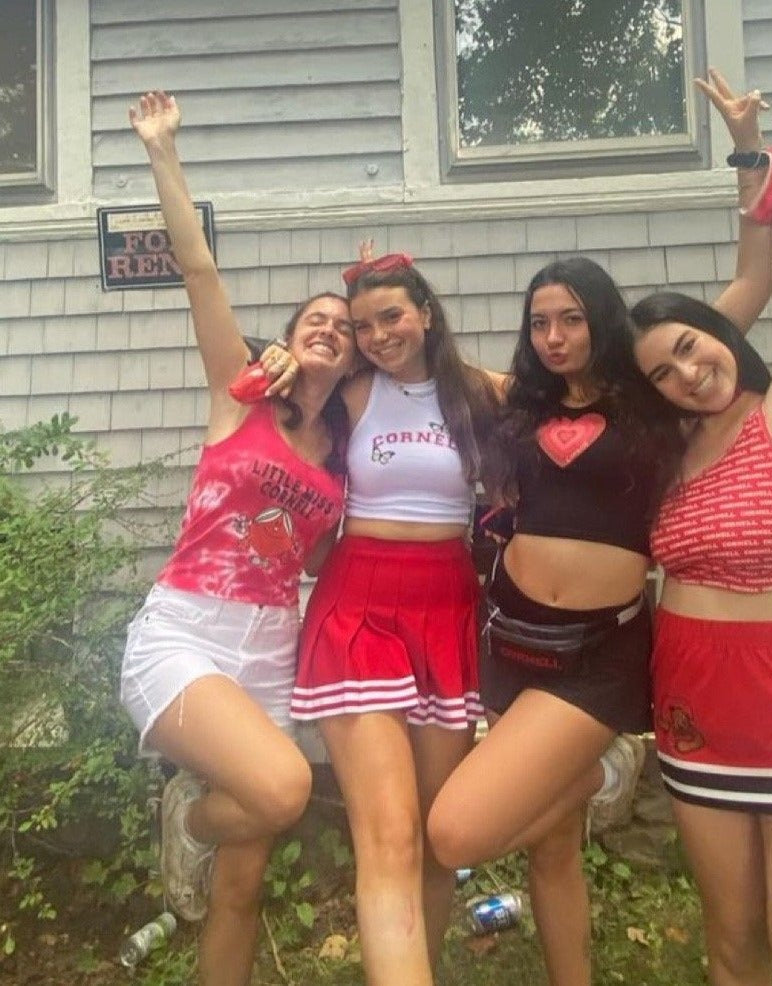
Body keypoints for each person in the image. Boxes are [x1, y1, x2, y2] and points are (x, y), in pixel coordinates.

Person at [425, 71, 772, 986]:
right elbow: (429, 359)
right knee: (550, 849)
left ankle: (592, 765)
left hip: (599, 656)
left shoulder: (651, 395)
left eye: (572, 318)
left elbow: (752, 280)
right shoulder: (519, 400)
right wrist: (396, 299)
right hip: (512, 643)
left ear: (601, 318)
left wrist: (748, 154)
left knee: (456, 830)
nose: (554, 337)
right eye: (540, 322)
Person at [119, 91, 355, 986]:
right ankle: (189, 820)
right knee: (284, 789)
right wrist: (163, 153)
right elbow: (199, 273)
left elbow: (321, 559)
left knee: (243, 890)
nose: (330, 328)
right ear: (288, 343)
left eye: (344, 327)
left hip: (270, 651)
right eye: (314, 320)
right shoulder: (240, 399)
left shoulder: (343, 464)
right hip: (185, 631)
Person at [629, 105, 772, 986]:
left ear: (721, 335)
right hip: (693, 709)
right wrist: (746, 165)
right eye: (662, 373)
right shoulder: (667, 451)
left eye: (691, 347)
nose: (688, 374)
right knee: (732, 948)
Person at [287, 255, 501, 986]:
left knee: (438, 837)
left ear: (426, 314)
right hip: (360, 607)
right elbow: (282, 382)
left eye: (392, 317)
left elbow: (572, 391)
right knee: (390, 835)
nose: (378, 336)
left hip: (448, 609)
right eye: (364, 325)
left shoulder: (477, 392)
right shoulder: (354, 391)